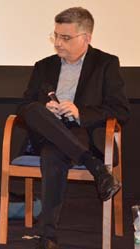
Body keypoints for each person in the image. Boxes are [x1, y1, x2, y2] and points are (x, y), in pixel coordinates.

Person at [17, 7, 130, 249]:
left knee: (53, 154)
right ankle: (96, 167)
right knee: (34, 109)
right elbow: (24, 105)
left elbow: (120, 110)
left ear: (86, 38)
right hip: (47, 128)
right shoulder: (43, 66)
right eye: (55, 35)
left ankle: (47, 237)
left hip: (81, 132)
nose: (57, 43)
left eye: (65, 38)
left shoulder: (106, 64)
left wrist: (80, 112)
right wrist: (47, 109)